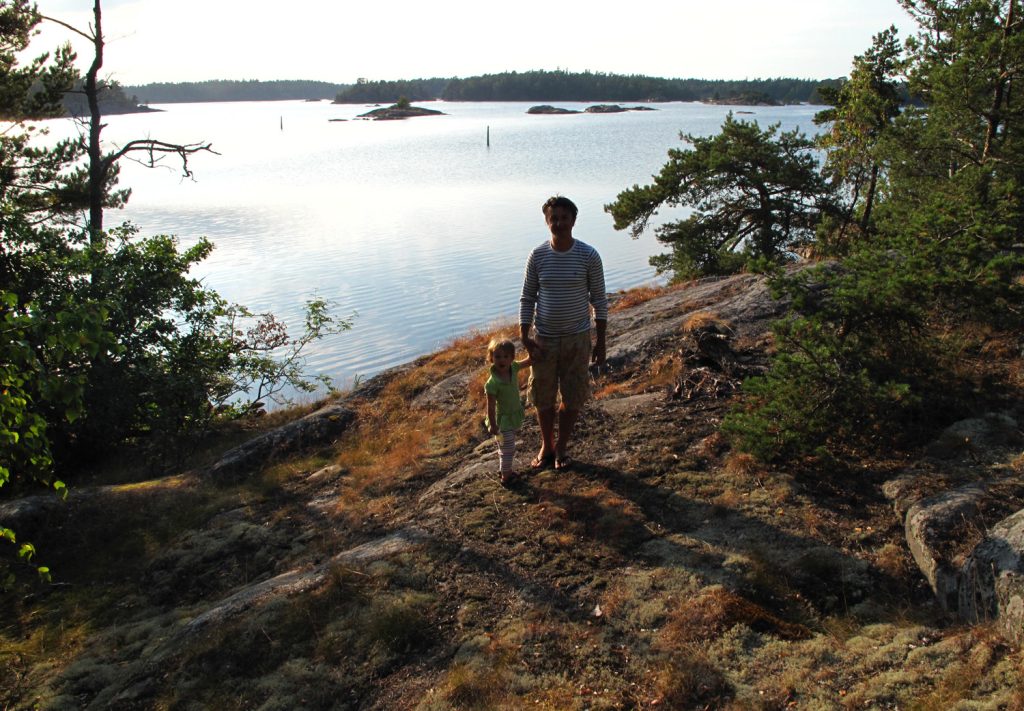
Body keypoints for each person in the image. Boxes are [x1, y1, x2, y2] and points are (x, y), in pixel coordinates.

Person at [519, 196, 607, 471]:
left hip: (577, 339)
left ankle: (563, 448)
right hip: (543, 340)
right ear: (547, 221)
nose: (558, 223)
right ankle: (547, 445)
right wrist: (524, 336)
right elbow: (527, 297)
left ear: (573, 220)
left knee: (573, 396)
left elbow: (599, 300)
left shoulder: (589, 255)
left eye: (564, 218)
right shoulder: (537, 255)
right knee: (542, 397)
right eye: (553, 218)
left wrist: (600, 341)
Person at [483, 337, 532, 487]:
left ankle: (504, 469)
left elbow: (528, 362)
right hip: (502, 421)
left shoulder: (513, 368)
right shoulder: (492, 383)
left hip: (512, 416)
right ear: (491, 358)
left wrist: (532, 345)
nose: (502, 360)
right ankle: (506, 476)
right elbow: (490, 407)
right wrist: (493, 425)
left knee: (505, 447)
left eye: (506, 356)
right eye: (497, 356)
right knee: (508, 449)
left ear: (511, 358)